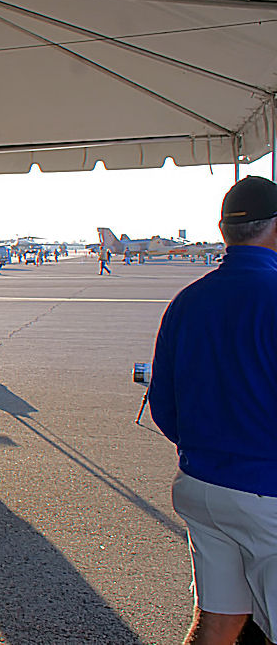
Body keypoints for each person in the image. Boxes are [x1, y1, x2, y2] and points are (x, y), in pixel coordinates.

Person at [150, 176, 277, 645]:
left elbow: (163, 405)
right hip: (267, 494)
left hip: (203, 486)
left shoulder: (188, 300)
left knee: (218, 622)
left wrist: (209, 450)